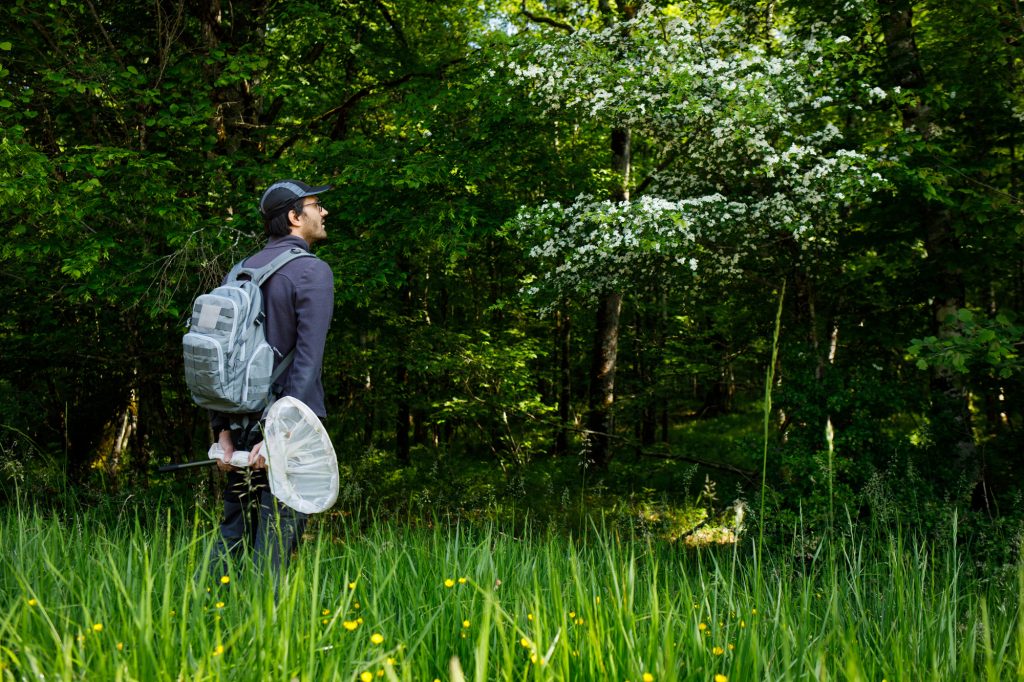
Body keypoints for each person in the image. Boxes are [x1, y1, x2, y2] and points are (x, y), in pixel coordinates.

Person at [209, 179, 335, 578]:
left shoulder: (239, 272)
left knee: (233, 535)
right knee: (277, 544)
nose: (324, 212)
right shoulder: (311, 272)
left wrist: (223, 431)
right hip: (288, 429)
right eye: (316, 205)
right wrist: (284, 432)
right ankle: (267, 631)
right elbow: (308, 360)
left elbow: (217, 358)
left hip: (242, 425)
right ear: (295, 217)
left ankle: (203, 618)